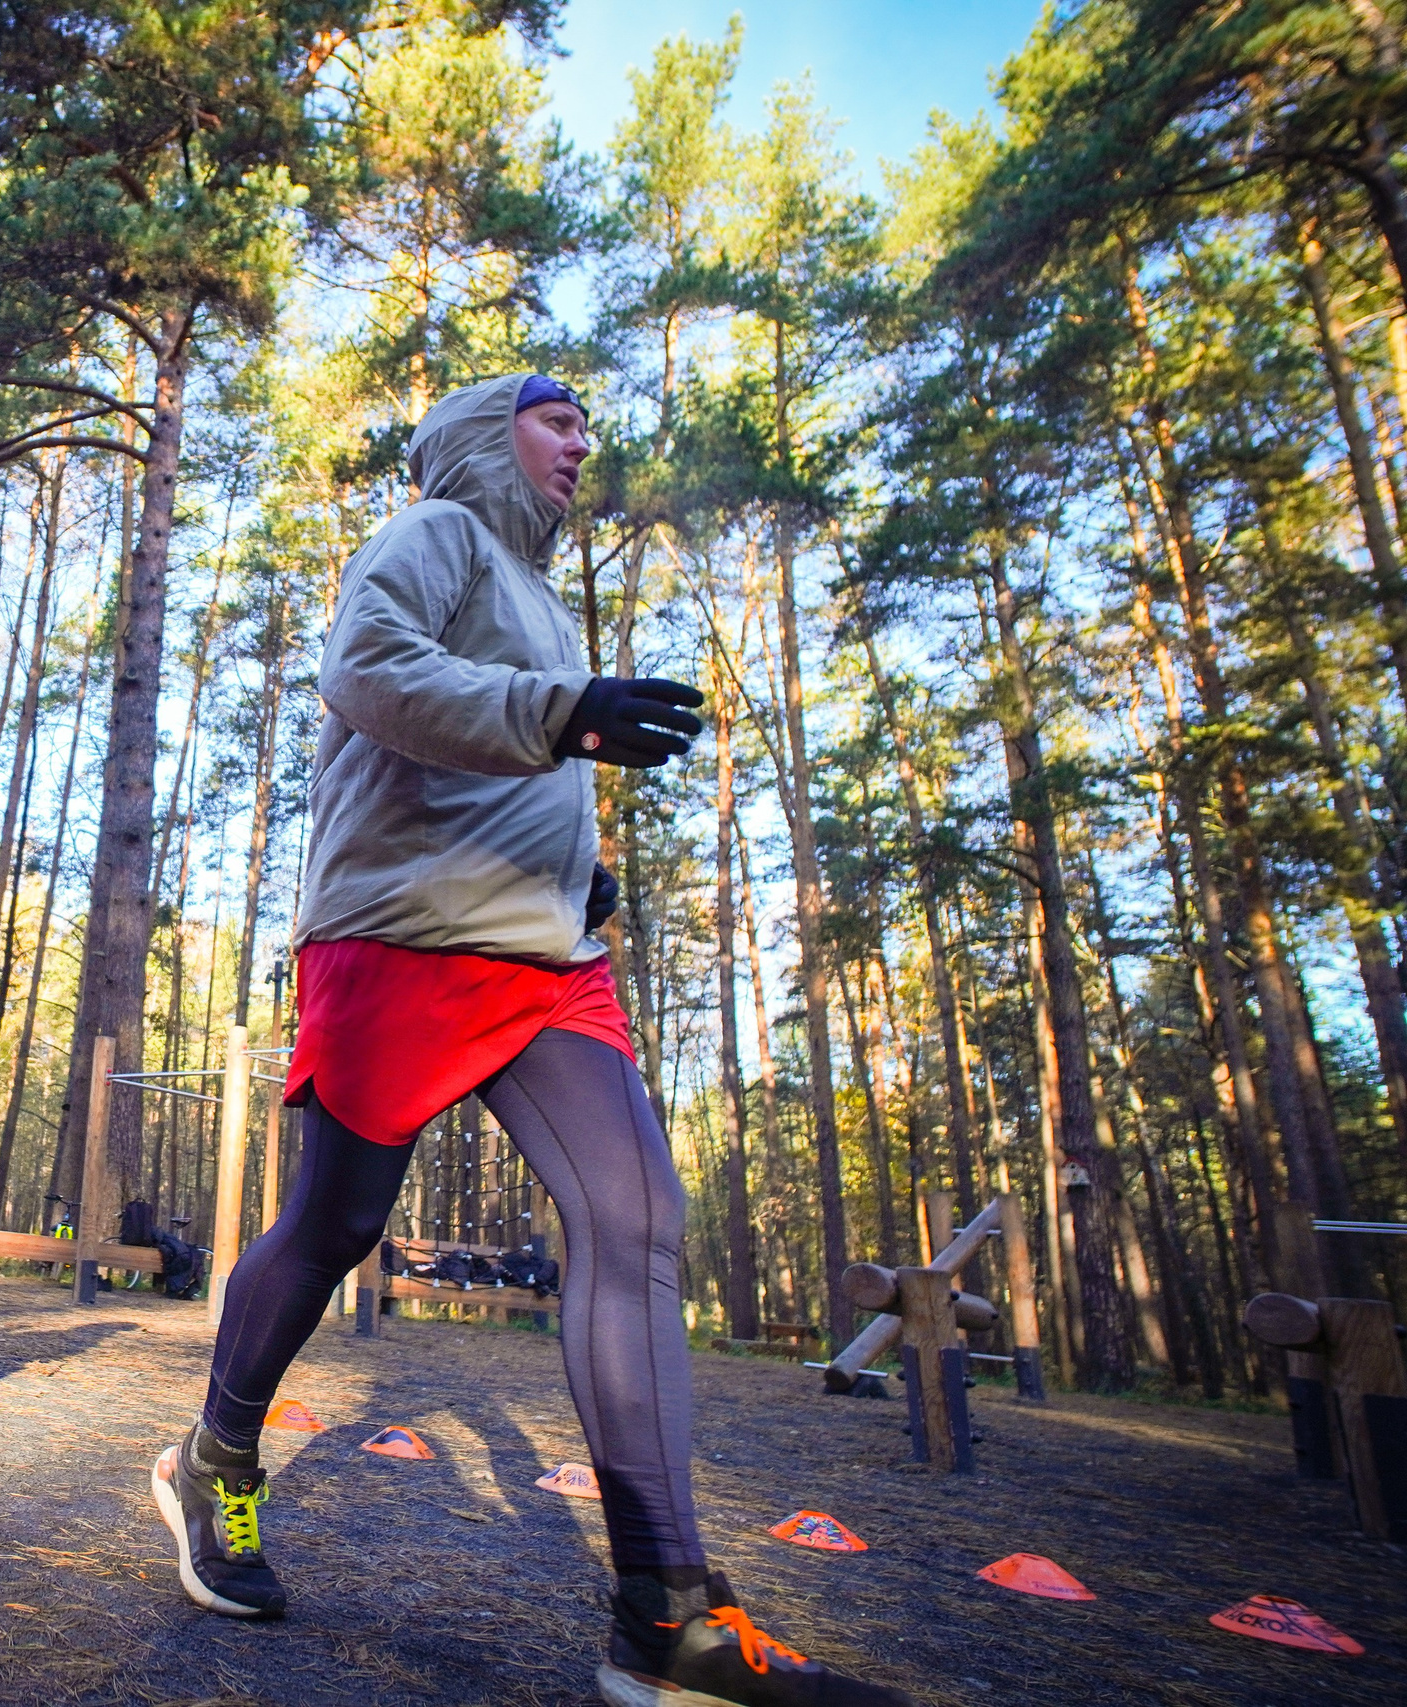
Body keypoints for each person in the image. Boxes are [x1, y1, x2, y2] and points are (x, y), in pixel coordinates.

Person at [148, 375, 910, 1707]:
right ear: (482, 438)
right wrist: (560, 716)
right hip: (400, 939)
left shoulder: (547, 598)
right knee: (336, 1226)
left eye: (584, 428)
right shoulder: (431, 534)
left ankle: (664, 1615)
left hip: (549, 963)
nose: (581, 443)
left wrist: (578, 877)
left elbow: (511, 760)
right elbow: (372, 675)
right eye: (557, 419)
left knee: (637, 1220)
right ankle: (217, 1456)